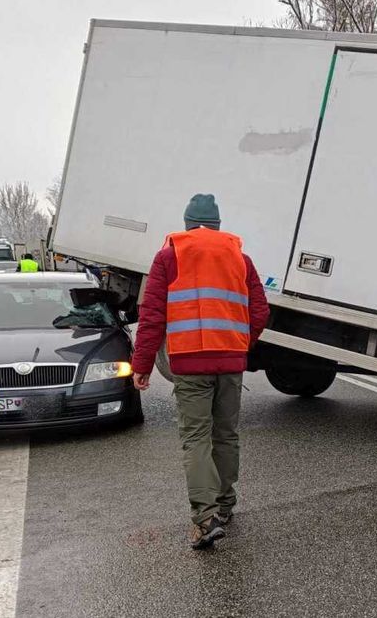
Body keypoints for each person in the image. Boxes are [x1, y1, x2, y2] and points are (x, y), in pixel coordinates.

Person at [130, 194, 269, 550]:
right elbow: (260, 310)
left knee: (196, 439)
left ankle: (205, 520)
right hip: (230, 360)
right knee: (226, 434)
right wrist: (241, 343)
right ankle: (224, 506)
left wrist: (141, 366)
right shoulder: (240, 258)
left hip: (190, 363)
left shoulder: (168, 256)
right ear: (218, 224)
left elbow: (151, 317)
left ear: (188, 223)